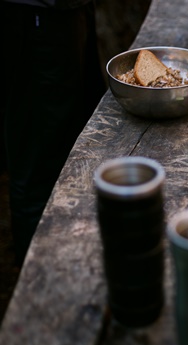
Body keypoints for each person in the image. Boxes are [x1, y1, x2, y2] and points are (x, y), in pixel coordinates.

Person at [0, 0, 106, 265]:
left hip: (67, 11)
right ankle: (38, 275)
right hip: (38, 15)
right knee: (37, 162)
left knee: (71, 141)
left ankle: (67, 256)